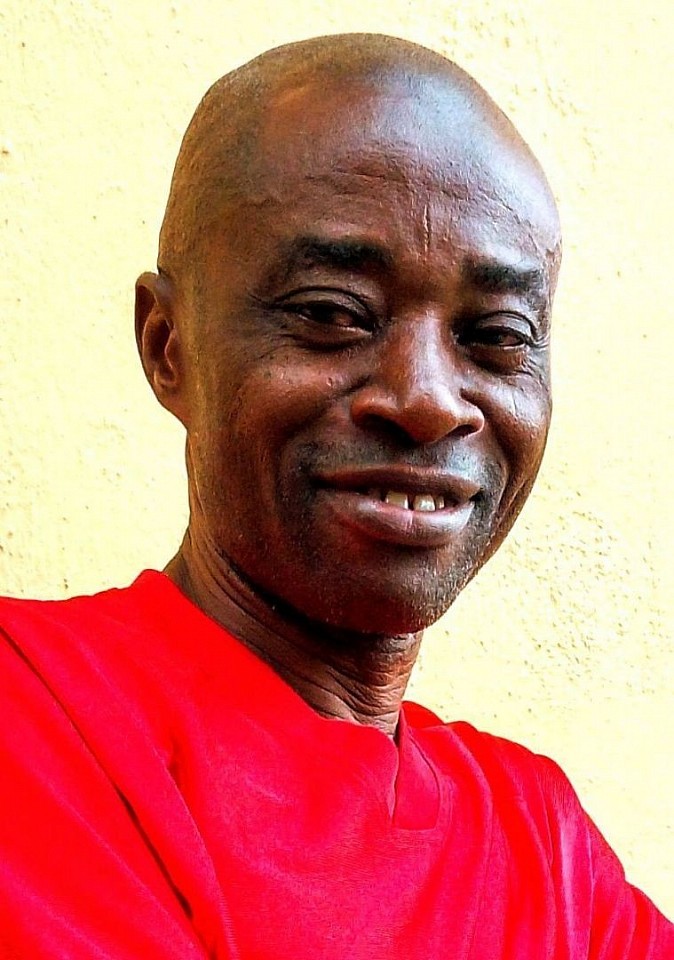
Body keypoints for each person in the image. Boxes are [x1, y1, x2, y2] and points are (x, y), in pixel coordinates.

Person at [0, 33, 671, 959]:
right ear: (167, 346)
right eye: (331, 313)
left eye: (497, 335)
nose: (428, 401)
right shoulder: (40, 715)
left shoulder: (543, 848)